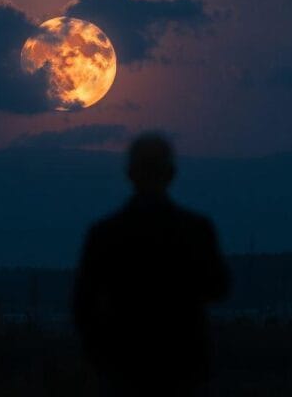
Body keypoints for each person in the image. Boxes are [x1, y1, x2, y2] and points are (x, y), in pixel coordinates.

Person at [72, 133, 231, 397]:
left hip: (125, 367)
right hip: (182, 366)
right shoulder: (195, 230)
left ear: (130, 173)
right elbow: (219, 288)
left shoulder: (105, 234)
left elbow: (83, 306)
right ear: (171, 173)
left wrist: (101, 356)